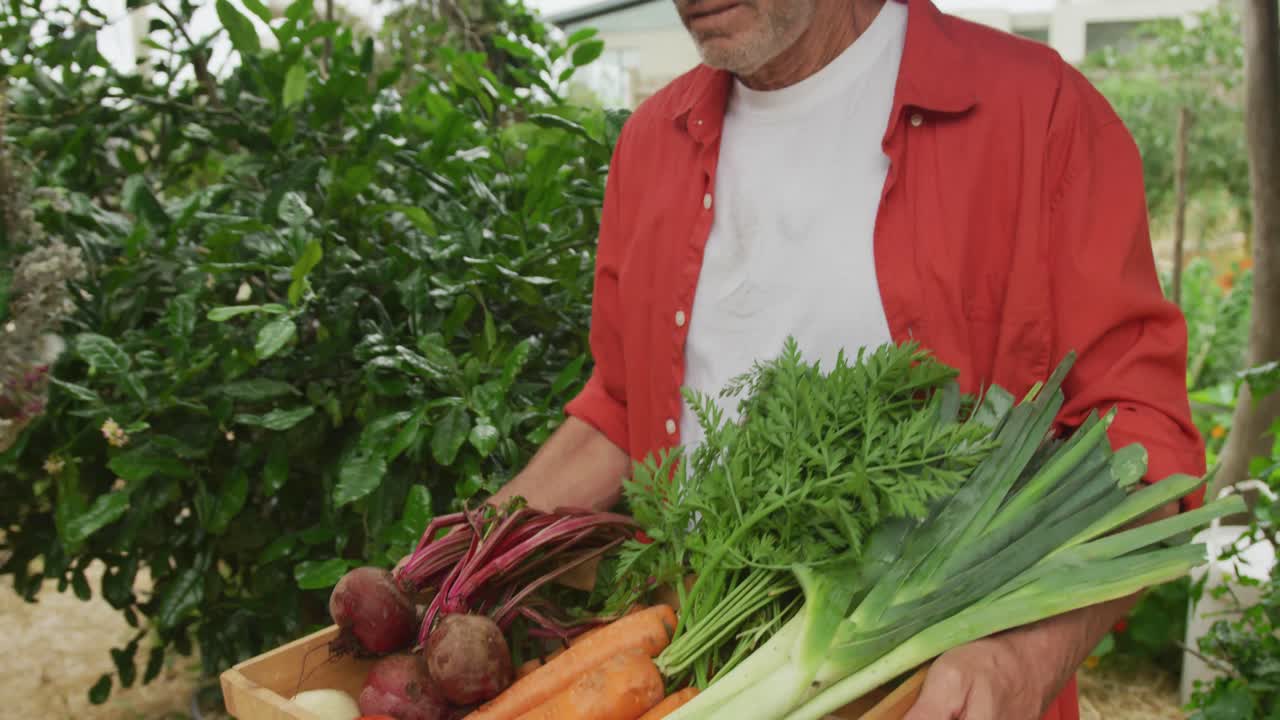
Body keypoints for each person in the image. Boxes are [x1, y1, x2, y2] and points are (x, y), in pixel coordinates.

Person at [487, 0, 1208, 717]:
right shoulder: (653, 141)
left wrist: (1023, 654)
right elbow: (624, 408)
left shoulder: (1036, 114)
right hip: (684, 681)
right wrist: (470, 561)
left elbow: (1140, 438)